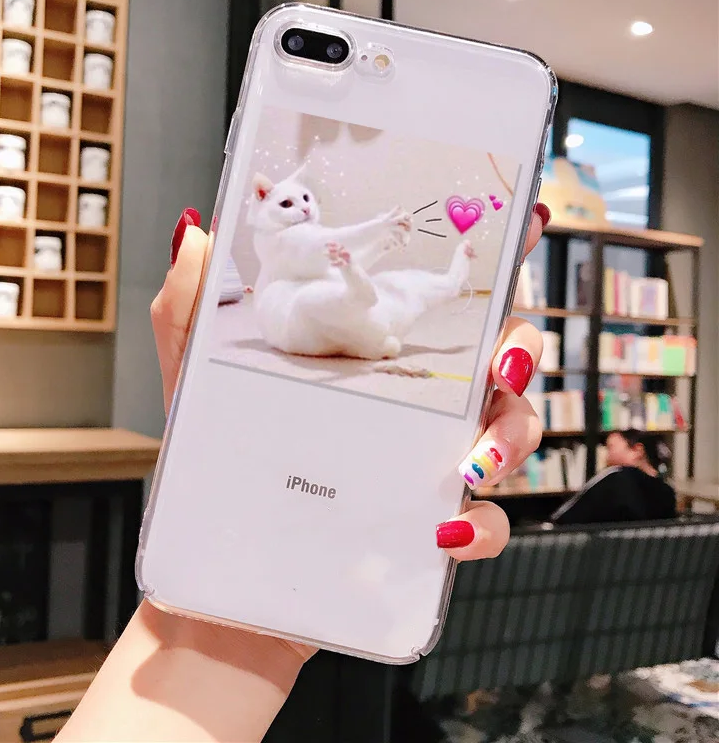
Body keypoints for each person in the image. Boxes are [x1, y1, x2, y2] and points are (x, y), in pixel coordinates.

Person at [54, 203, 552, 743]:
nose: (305, 211)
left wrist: (220, 643)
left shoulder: (341, 296)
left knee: (423, 300)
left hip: (363, 321)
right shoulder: (302, 277)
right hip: (346, 319)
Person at [550, 430, 677, 525]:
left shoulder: (614, 477)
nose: (607, 456)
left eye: (610, 447)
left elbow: (562, 517)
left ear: (637, 451)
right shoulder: (667, 492)